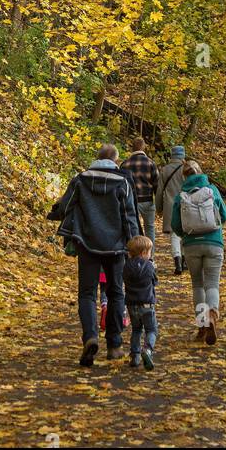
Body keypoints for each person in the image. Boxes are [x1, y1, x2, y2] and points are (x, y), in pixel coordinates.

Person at [49, 143, 139, 367]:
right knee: (116, 292)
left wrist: (54, 212)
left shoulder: (81, 179)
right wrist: (133, 244)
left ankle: (90, 337)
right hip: (116, 246)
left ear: (97, 158)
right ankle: (115, 345)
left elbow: (66, 205)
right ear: (115, 160)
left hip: (87, 243)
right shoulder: (123, 182)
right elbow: (129, 215)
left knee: (87, 293)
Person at [171, 160, 226, 345]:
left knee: (197, 284)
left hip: (191, 245)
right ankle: (212, 313)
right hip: (214, 243)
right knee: (212, 283)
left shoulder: (181, 196)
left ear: (184, 177)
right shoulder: (212, 190)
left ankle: (202, 326)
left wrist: (187, 235)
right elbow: (224, 215)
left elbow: (175, 226)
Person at [123, 234, 158, 369]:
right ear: (144, 253)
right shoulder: (149, 266)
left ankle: (135, 355)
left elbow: (124, 279)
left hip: (132, 304)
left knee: (136, 330)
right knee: (151, 330)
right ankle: (148, 350)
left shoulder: (126, 266)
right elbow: (154, 281)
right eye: (149, 252)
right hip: (147, 304)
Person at [120, 137, 159, 258]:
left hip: (130, 202)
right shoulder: (150, 163)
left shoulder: (125, 164)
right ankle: (150, 257)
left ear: (132, 148)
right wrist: (157, 203)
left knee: (133, 228)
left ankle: (134, 255)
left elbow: (121, 184)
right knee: (149, 229)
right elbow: (156, 183)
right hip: (147, 200)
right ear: (143, 148)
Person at [156, 143, 187, 274]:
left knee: (175, 235)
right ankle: (184, 260)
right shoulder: (187, 168)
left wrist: (159, 208)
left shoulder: (165, 170)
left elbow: (159, 191)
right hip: (187, 204)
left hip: (170, 205)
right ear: (183, 155)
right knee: (185, 232)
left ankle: (177, 262)